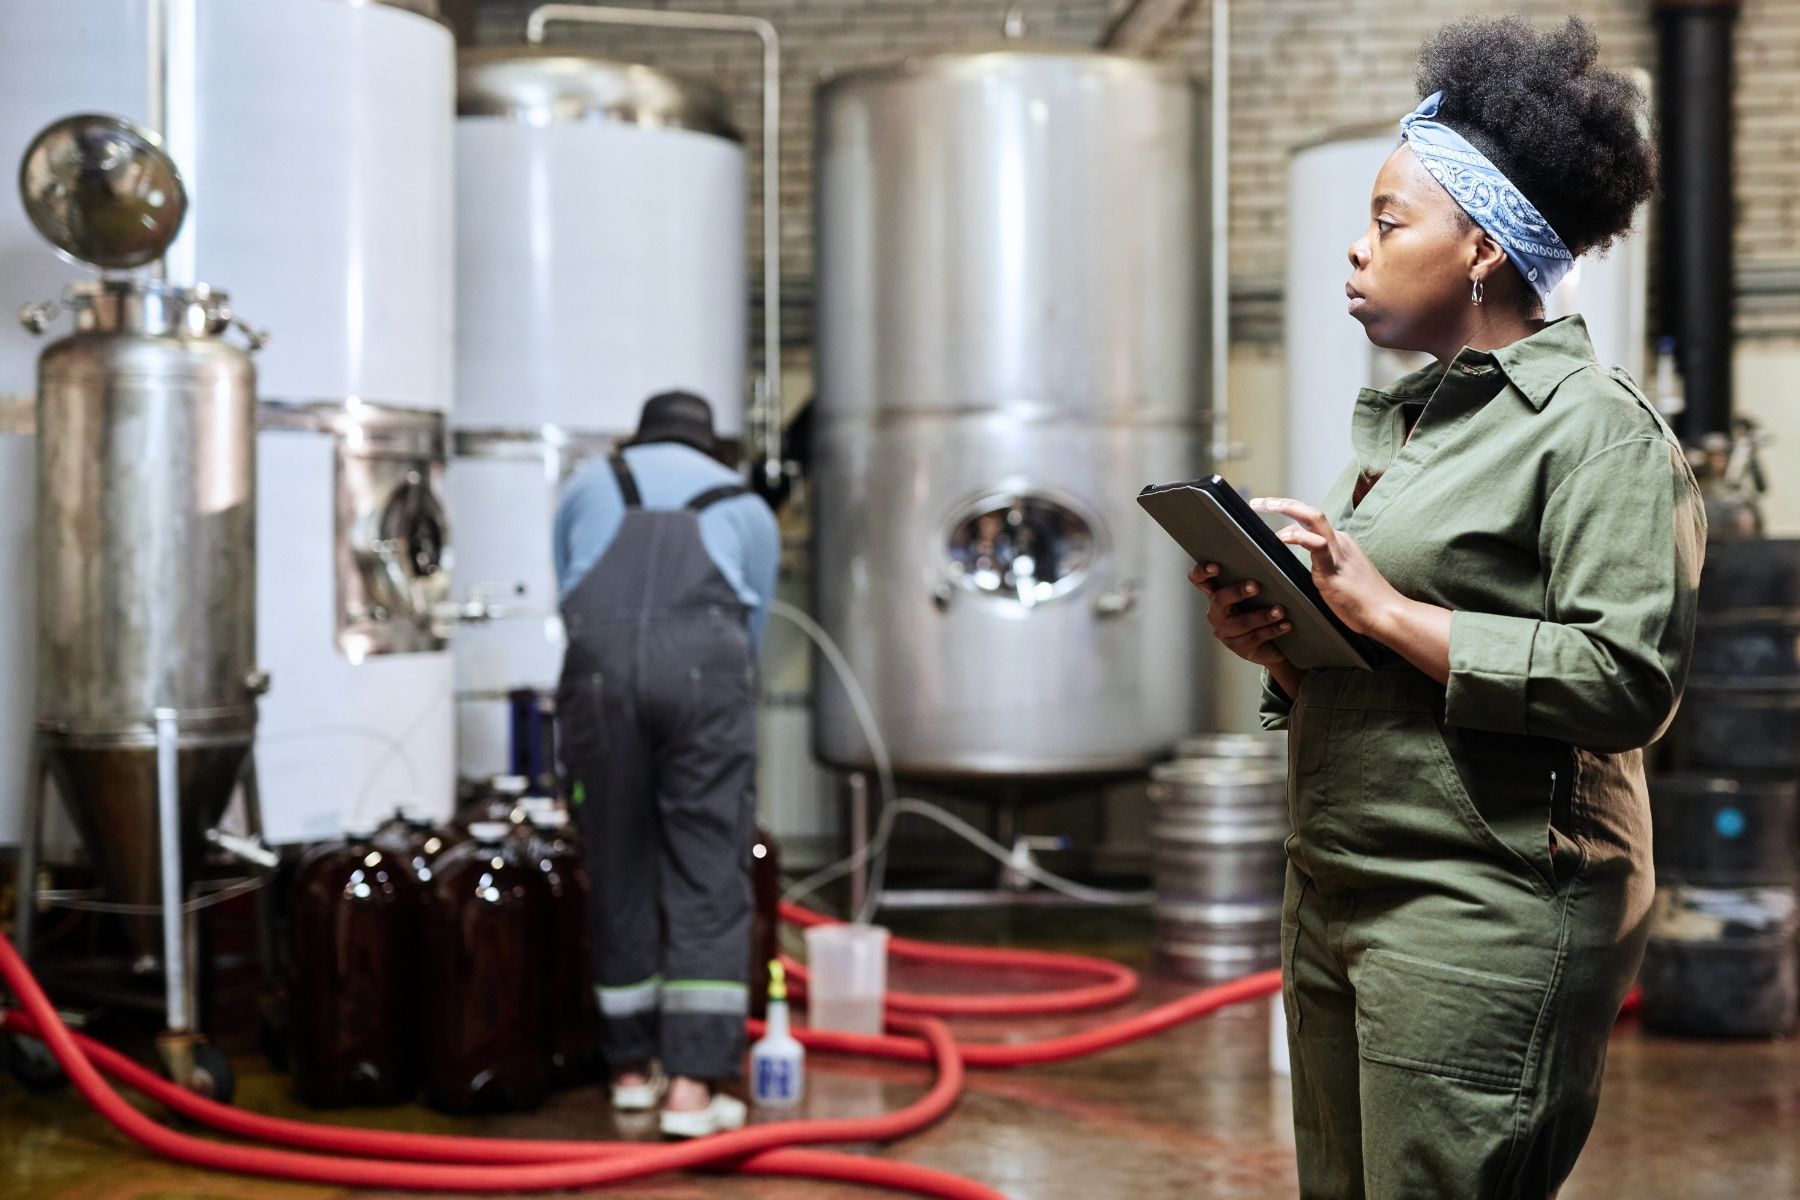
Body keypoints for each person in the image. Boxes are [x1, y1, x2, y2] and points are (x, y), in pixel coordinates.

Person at [1192, 18, 1703, 1198]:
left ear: (1479, 247)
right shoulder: (1414, 426)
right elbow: (1387, 659)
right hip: (1339, 885)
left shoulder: (1595, 430)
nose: (1356, 254)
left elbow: (1628, 683)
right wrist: (1283, 646)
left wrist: (1375, 610)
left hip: (1483, 911)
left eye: (1388, 221)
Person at [553, 390, 780, 1138]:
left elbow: (569, 592)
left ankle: (627, 1071)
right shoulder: (745, 504)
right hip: (704, 683)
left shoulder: (587, 484)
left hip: (598, 679)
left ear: (636, 438)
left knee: (616, 860)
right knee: (707, 866)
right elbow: (754, 630)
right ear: (709, 446)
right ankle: (690, 1087)